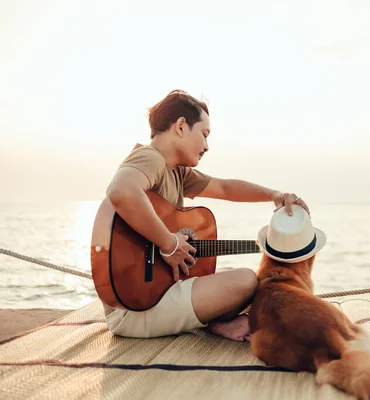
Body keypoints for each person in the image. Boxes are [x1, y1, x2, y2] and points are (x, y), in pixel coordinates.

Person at [102, 89, 310, 341]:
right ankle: (217, 322)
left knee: (244, 278)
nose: (207, 146)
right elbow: (121, 190)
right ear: (180, 127)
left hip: (154, 295)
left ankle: (218, 324)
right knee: (246, 280)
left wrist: (274, 195)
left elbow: (224, 187)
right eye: (204, 134)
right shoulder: (150, 158)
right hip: (134, 308)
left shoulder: (177, 172)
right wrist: (169, 244)